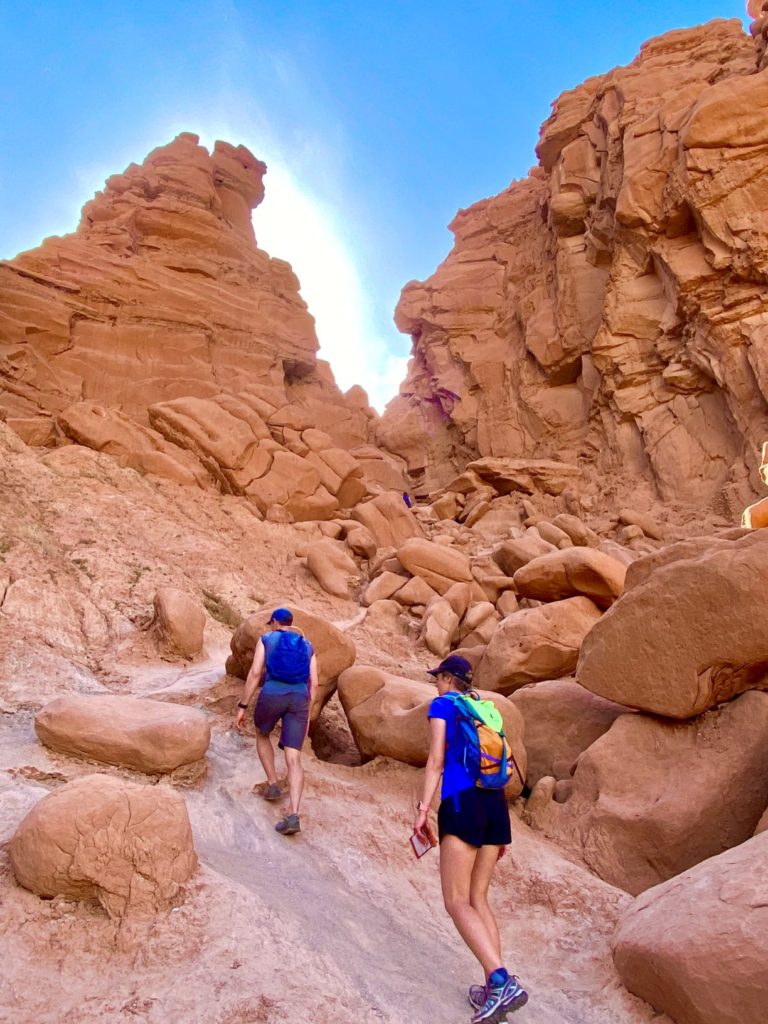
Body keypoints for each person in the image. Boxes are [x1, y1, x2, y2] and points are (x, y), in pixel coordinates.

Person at [413, 654, 528, 1022]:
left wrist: (421, 811)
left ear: (448, 678)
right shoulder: (487, 708)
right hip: (494, 806)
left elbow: (436, 761)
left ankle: (500, 981)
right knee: (479, 898)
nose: (436, 685)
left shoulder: (443, 705)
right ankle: (493, 990)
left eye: (438, 678)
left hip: (463, 804)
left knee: (456, 901)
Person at [236, 608, 318, 836]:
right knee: (294, 757)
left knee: (262, 734)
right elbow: (315, 683)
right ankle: (293, 814)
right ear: (290, 624)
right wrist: (308, 714)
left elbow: (255, 673)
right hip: (299, 699)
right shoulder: (307, 645)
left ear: (274, 622)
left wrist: (242, 705)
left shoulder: (267, 639)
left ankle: (272, 783)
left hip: (272, 694)